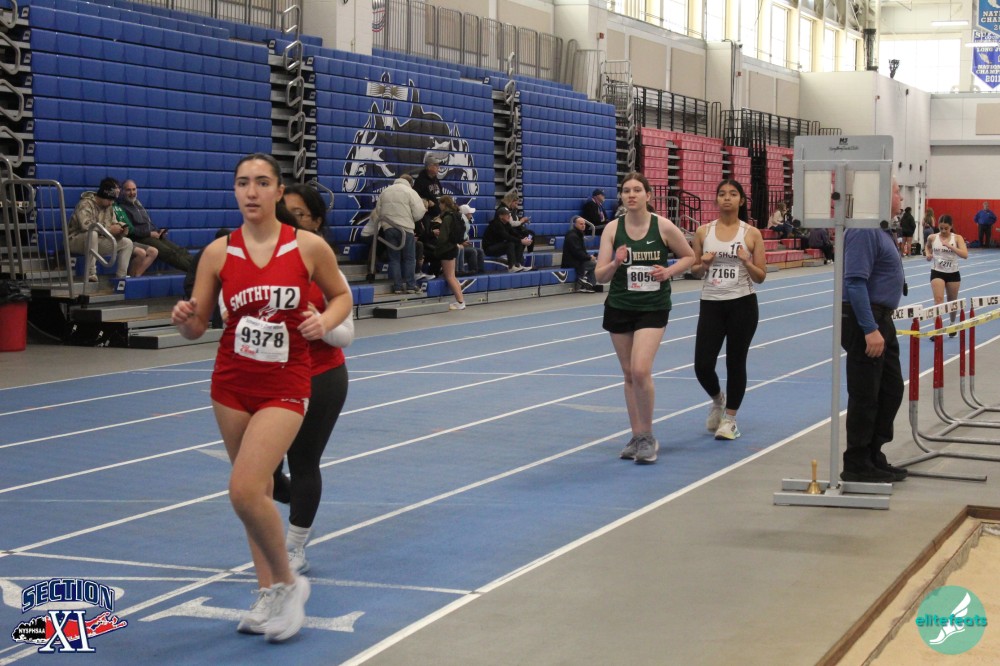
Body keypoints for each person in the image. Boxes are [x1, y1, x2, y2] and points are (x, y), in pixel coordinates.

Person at [171, 153, 351, 642]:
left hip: (286, 383)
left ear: (278, 191)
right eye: (243, 183)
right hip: (231, 382)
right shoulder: (217, 253)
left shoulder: (307, 246)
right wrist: (185, 319)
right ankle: (267, 591)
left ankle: (289, 585)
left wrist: (324, 321)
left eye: (262, 183)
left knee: (244, 489)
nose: (251, 192)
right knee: (259, 495)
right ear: (235, 190)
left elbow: (342, 296)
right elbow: (197, 326)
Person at [271, 183, 352, 574]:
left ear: (317, 221)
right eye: (284, 212)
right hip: (269, 378)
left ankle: (295, 545)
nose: (290, 220)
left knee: (303, 462)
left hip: (320, 376)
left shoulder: (324, 266)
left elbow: (346, 334)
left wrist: (320, 324)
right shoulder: (260, 262)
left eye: (299, 214)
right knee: (261, 470)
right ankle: (298, 500)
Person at [594, 171, 695, 464]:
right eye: (626, 190)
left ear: (648, 195)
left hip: (652, 305)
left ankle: (649, 436)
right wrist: (616, 262)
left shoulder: (662, 226)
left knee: (640, 370)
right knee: (628, 374)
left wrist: (669, 271)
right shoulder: (612, 229)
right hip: (620, 305)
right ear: (622, 196)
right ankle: (637, 435)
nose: (631, 195)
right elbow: (600, 276)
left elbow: (689, 256)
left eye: (637, 190)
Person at [839, 176, 907, 483]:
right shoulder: (864, 230)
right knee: (866, 393)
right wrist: (869, 328)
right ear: (880, 193)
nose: (901, 197)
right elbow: (854, 282)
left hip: (882, 319)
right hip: (866, 320)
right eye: (897, 191)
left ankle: (873, 453)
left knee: (890, 390)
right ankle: (856, 462)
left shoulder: (881, 229)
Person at [690, 180, 767, 441]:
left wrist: (746, 261)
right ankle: (717, 400)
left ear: (741, 201)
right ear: (716, 200)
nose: (727, 198)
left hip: (742, 304)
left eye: (733, 194)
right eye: (722, 194)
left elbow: (760, 276)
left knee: (735, 362)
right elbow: (695, 271)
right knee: (702, 365)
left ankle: (730, 420)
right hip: (711, 303)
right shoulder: (703, 232)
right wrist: (703, 264)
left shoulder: (751, 234)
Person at [118, 180, 194, 272]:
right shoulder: (121, 207)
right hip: (140, 238)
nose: (132, 193)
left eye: (134, 189)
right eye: (128, 190)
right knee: (169, 253)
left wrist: (158, 231)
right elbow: (131, 231)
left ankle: (200, 266)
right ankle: (195, 271)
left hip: (151, 235)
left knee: (180, 250)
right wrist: (149, 234)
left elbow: (147, 223)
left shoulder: (137, 203)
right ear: (122, 191)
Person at [67, 178, 134, 282]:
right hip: (75, 240)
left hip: (97, 241)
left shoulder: (109, 207)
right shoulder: (85, 204)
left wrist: (121, 229)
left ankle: (121, 278)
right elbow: (86, 226)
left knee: (127, 243)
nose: (111, 203)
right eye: (109, 200)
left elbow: (114, 223)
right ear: (102, 196)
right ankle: (90, 273)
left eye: (113, 200)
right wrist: (109, 230)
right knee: (92, 233)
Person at [373, 174, 425, 294]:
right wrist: (411, 218)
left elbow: (378, 211)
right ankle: (411, 286)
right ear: (410, 183)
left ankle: (397, 287)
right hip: (406, 228)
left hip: (389, 228)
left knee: (394, 258)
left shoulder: (385, 191)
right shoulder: (410, 191)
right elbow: (419, 212)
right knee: (409, 258)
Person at [924, 214, 968, 338]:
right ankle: (937, 330)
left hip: (953, 273)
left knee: (952, 301)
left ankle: (952, 323)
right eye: (941, 228)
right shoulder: (932, 237)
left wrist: (950, 246)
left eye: (946, 228)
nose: (943, 231)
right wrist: (928, 254)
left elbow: (965, 255)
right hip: (937, 272)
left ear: (951, 226)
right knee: (938, 300)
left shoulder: (957, 238)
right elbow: (927, 247)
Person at [433, 196, 467, 310]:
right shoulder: (456, 215)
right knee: (452, 276)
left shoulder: (447, 218)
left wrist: (437, 240)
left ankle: (460, 302)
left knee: (450, 277)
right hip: (453, 247)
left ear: (444, 204)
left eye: (440, 204)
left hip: (447, 249)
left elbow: (443, 237)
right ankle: (461, 300)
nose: (439, 206)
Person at [483, 206, 530, 272]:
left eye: (509, 214)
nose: (509, 216)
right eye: (507, 214)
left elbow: (514, 233)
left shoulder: (506, 224)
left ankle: (518, 264)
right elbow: (506, 236)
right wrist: (521, 240)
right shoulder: (496, 224)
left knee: (518, 243)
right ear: (500, 216)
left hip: (498, 246)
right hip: (489, 249)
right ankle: (511, 267)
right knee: (510, 244)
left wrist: (524, 239)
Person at [561, 216, 597, 292]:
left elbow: (581, 251)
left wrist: (589, 257)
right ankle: (588, 285)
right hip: (572, 261)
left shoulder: (578, 234)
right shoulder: (573, 236)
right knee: (595, 264)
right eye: (581, 224)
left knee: (593, 263)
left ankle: (587, 283)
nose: (583, 225)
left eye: (584, 224)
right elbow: (577, 252)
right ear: (575, 224)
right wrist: (589, 257)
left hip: (576, 259)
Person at [456, 204, 485, 275]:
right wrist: (462, 243)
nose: (471, 215)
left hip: (463, 244)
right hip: (458, 245)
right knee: (472, 251)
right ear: (465, 214)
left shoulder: (466, 222)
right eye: (470, 213)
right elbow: (457, 237)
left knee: (480, 251)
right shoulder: (461, 222)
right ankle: (473, 271)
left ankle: (480, 271)